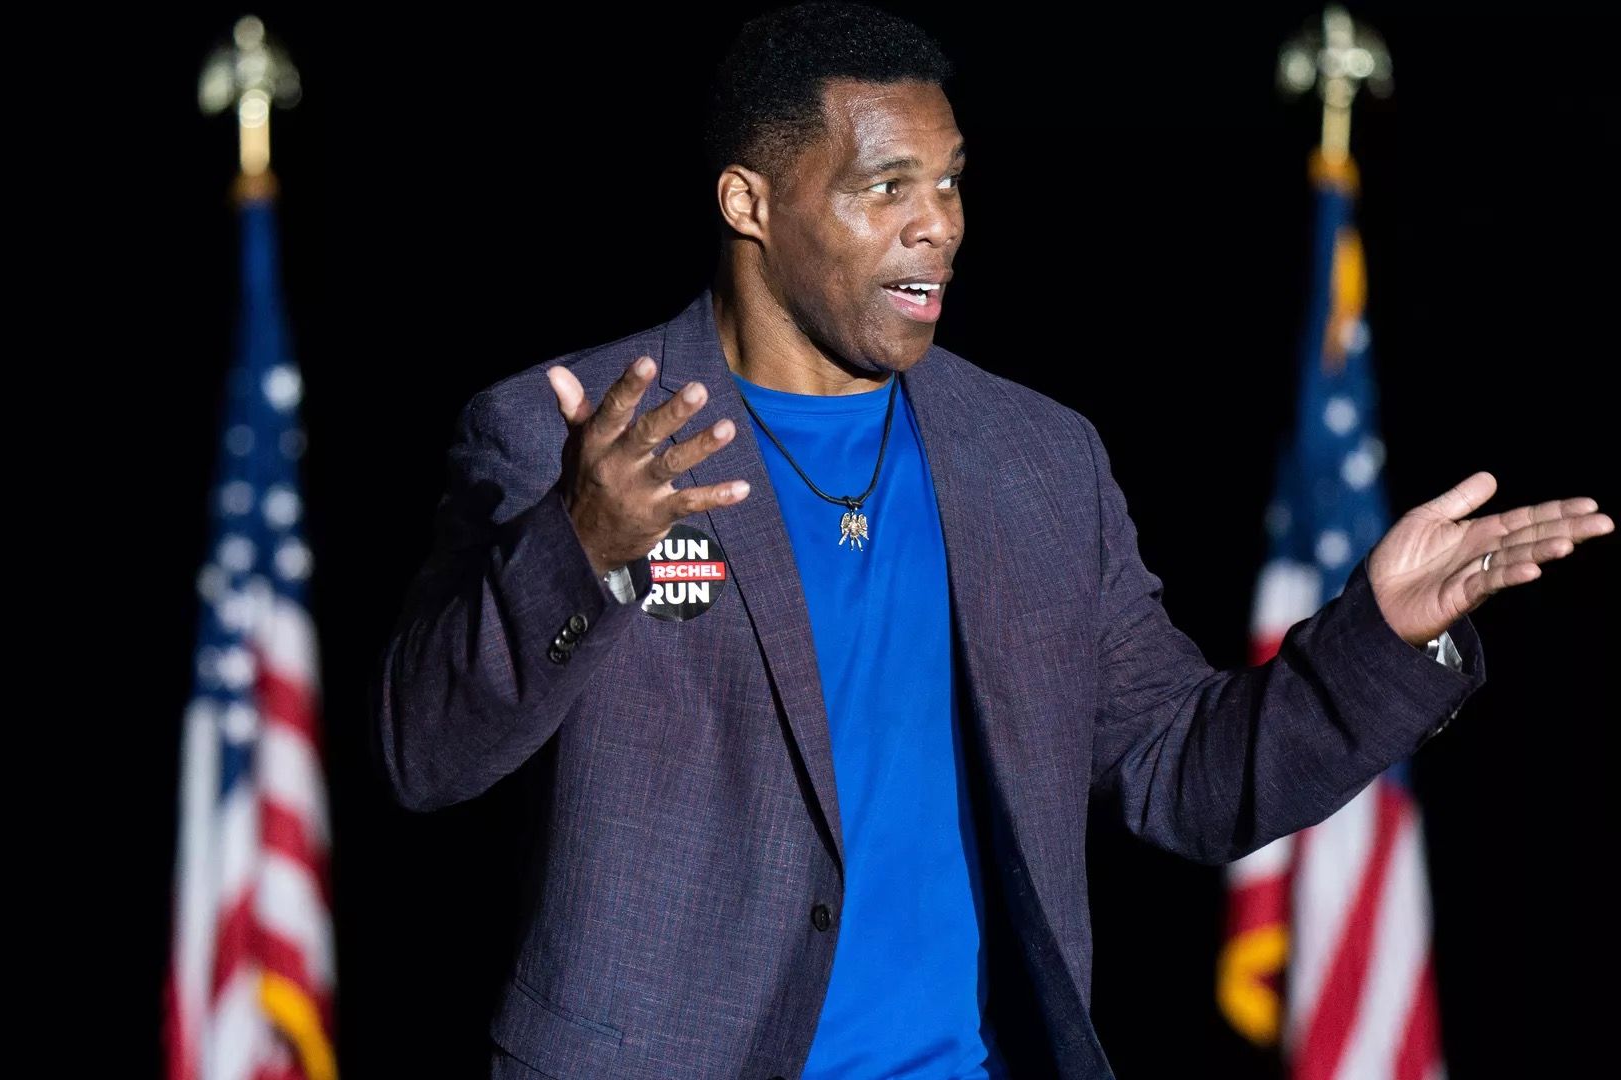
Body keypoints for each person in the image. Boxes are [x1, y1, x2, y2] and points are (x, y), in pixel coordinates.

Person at [373, 4, 1611, 1077]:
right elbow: (428, 756)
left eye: (953, 179)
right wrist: (579, 543)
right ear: (749, 203)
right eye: (886, 187)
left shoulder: (1035, 459)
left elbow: (1181, 771)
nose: (942, 226)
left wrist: (1379, 642)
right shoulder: (566, 431)